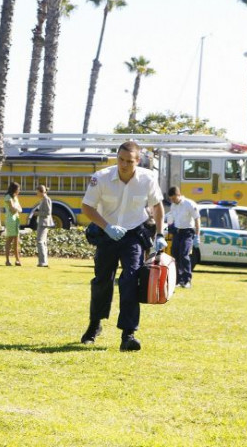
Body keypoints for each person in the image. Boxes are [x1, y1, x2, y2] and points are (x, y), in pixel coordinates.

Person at [80, 141, 166, 352]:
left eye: (129, 161)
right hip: (107, 232)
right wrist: (107, 227)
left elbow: (157, 206)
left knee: (131, 280)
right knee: (102, 280)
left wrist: (160, 234)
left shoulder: (148, 179)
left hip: (133, 234)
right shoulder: (101, 177)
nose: (124, 165)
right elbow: (87, 207)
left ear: (138, 160)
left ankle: (128, 334)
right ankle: (94, 325)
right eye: (121, 159)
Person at [166, 186, 200, 289]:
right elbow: (172, 218)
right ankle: (178, 280)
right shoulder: (173, 205)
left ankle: (187, 280)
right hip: (177, 232)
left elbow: (197, 219)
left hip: (187, 232)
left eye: (174, 198)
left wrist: (197, 235)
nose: (172, 201)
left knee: (184, 254)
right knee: (175, 255)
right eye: (171, 199)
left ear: (178, 195)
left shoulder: (189, 204)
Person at [3, 182, 22, 266]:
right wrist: (17, 209)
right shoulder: (8, 197)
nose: (19, 191)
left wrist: (16, 208)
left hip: (16, 220)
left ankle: (17, 260)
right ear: (14, 189)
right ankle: (7, 260)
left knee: (16, 241)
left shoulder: (15, 198)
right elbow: (12, 210)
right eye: (18, 189)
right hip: (10, 220)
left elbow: (20, 209)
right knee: (9, 240)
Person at [33, 184, 53, 267]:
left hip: (43, 223)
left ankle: (43, 262)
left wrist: (38, 213)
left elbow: (48, 212)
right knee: (43, 242)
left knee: (40, 241)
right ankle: (44, 261)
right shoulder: (44, 199)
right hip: (42, 222)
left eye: (37, 192)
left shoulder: (46, 199)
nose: (37, 194)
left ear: (41, 192)